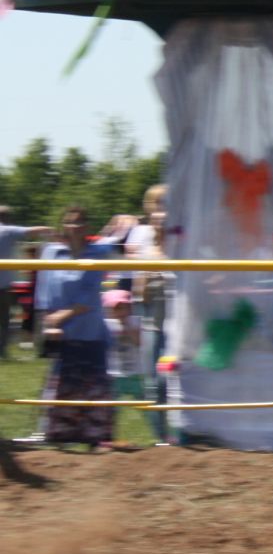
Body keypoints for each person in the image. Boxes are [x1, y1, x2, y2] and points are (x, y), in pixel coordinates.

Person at [31, 206, 120, 447]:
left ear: (87, 227)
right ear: (63, 224)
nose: (75, 226)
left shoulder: (97, 253)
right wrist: (48, 320)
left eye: (80, 222)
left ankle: (98, 439)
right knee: (60, 384)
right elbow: (44, 286)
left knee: (94, 387)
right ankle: (57, 435)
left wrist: (59, 317)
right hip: (60, 332)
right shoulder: (52, 252)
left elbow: (90, 295)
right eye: (70, 221)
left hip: (90, 331)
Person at [122, 185, 172, 442]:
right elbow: (137, 287)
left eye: (167, 204)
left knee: (169, 377)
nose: (162, 210)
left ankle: (180, 433)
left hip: (178, 322)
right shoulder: (142, 238)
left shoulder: (182, 239)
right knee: (152, 380)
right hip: (151, 318)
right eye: (158, 204)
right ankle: (161, 437)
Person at [0, 206, 54, 360]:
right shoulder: (8, 230)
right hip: (3, 285)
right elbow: (31, 230)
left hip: (4, 285)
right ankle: (1, 352)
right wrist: (49, 230)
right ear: (8, 218)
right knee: (4, 321)